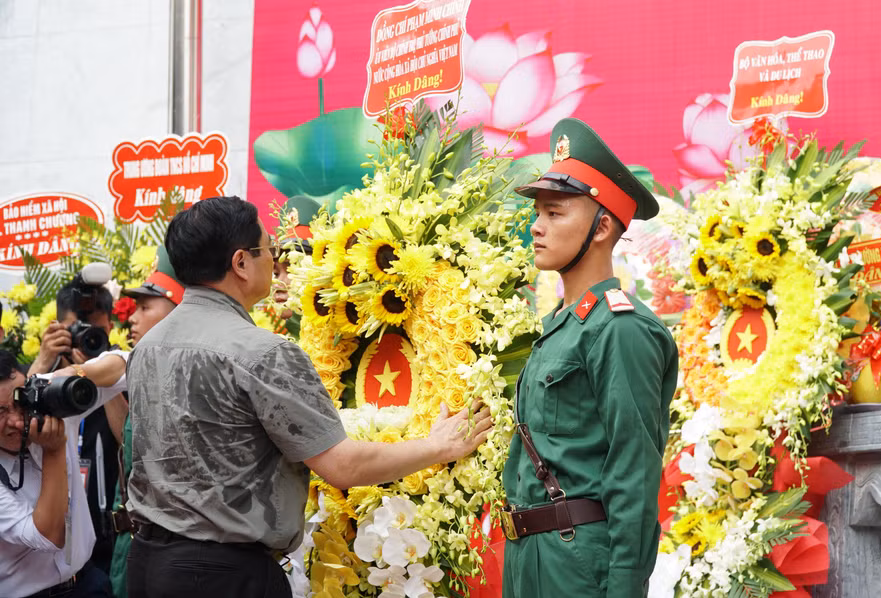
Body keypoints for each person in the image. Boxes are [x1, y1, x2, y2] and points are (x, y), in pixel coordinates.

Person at [125, 196, 493, 598]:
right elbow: (342, 466)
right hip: (223, 575)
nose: (274, 261)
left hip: (148, 565)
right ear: (240, 263)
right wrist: (438, 447)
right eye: (268, 249)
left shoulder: (148, 347)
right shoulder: (262, 352)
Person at [500, 119, 679, 597]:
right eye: (537, 212)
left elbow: (634, 473)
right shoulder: (562, 326)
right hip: (531, 557)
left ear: (601, 227)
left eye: (555, 213)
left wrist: (624, 589)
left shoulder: (621, 329)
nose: (536, 226)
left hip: (577, 563)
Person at [0, 347, 127, 598]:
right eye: (0, 412)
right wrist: (55, 450)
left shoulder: (46, 398)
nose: (17, 421)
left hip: (89, 582)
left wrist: (75, 372)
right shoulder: (51, 438)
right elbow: (48, 536)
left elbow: (125, 363)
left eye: (19, 402)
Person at [27, 279, 123, 575]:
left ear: (109, 329)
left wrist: (97, 377)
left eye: (95, 332)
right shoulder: (41, 382)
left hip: (107, 537)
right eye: (77, 330)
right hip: (51, 547)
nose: (86, 338)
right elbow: (15, 426)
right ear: (56, 329)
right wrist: (44, 360)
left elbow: (128, 439)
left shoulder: (119, 373)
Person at [106, 245, 184, 598]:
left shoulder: (188, 377)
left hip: (165, 552)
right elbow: (131, 443)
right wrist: (107, 391)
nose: (132, 319)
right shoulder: (147, 369)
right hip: (135, 545)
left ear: (178, 309)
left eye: (145, 307)